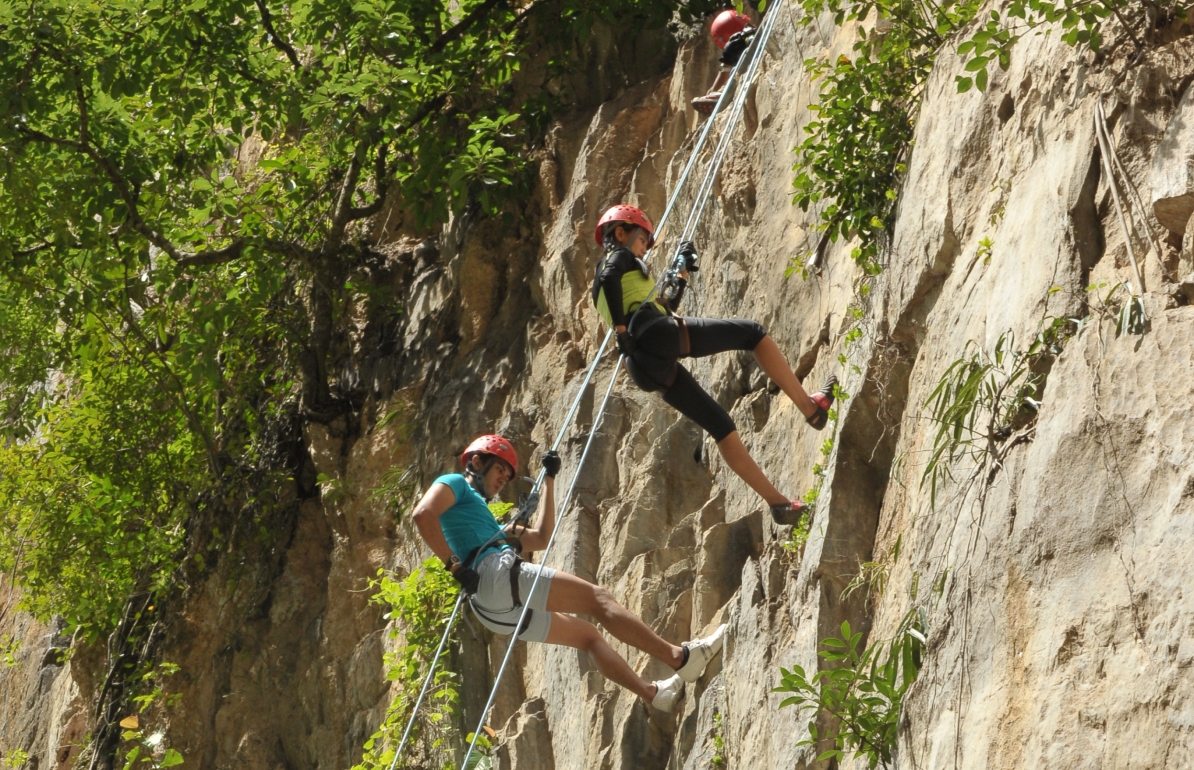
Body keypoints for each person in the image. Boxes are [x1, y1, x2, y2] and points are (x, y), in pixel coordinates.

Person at [411, 434, 726, 712]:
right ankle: (681, 658)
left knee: (587, 637)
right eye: (498, 470)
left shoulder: (488, 526)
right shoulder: (455, 484)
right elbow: (423, 514)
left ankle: (653, 694)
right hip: (493, 575)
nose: (502, 480)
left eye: (507, 477)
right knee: (597, 599)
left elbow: (541, 537)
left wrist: (549, 480)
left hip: (489, 607)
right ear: (476, 461)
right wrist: (455, 566)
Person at [590, 205, 837, 525]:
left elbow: (664, 307)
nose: (645, 249)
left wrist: (680, 272)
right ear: (621, 233)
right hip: (652, 336)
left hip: (644, 365)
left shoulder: (623, 280)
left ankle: (779, 505)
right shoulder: (618, 258)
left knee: (720, 426)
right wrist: (621, 332)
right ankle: (810, 407)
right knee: (753, 334)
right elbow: (615, 280)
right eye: (643, 241)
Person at [692, 10, 756, 116]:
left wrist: (726, 62)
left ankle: (726, 93)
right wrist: (726, 62)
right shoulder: (735, 57)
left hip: (748, 73)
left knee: (736, 71)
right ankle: (723, 94)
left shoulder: (757, 38)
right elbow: (713, 91)